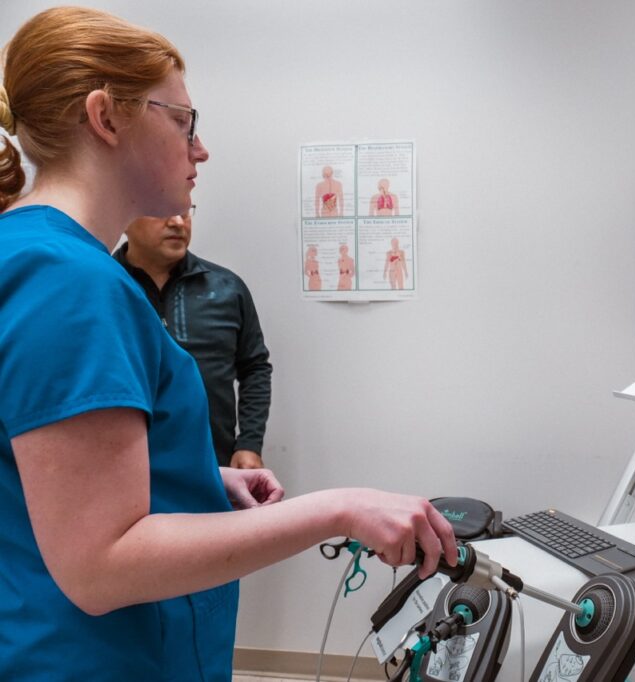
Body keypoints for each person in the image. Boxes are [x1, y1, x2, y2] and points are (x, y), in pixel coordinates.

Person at [0, 8, 455, 681]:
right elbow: (101, 565)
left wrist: (196, 475)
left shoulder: (31, 254)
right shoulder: (70, 281)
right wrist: (340, 510)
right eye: (184, 121)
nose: (200, 149)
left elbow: (37, 474)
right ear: (106, 117)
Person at [113, 210, 273, 469]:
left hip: (214, 465)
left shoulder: (226, 288)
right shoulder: (102, 287)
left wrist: (249, 444)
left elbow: (254, 368)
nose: (178, 222)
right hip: (123, 467)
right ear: (126, 222)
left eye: (185, 213)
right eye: (162, 212)